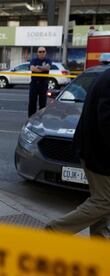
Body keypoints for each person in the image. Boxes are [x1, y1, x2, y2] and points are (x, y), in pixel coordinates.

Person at [45, 68, 110, 239]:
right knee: (104, 201)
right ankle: (55, 230)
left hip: (94, 150)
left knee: (101, 201)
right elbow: (107, 123)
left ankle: (100, 245)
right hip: (99, 154)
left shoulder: (105, 75)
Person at [28, 47, 52, 117]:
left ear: (45, 52)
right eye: (40, 52)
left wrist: (38, 67)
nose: (42, 53)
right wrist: (43, 68)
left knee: (43, 103)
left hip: (43, 84)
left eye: (43, 51)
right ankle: (31, 118)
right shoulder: (34, 60)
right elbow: (32, 68)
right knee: (32, 102)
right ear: (37, 53)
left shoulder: (48, 60)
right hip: (34, 84)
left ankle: (41, 118)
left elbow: (47, 68)